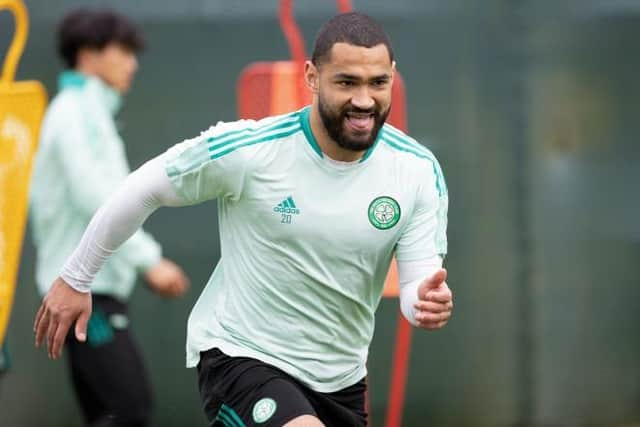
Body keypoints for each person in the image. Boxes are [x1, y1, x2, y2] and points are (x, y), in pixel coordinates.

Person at [34, 12, 452, 427]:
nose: (364, 100)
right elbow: (142, 188)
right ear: (311, 78)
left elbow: (418, 286)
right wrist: (76, 277)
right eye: (346, 82)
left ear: (392, 76)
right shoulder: (250, 150)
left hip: (341, 379)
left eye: (378, 83)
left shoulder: (416, 171)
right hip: (242, 358)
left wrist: (424, 304)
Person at [29, 8, 189, 427]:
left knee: (109, 414)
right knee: (129, 411)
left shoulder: (88, 111)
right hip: (87, 295)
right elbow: (96, 197)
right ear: (88, 53)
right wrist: (149, 260)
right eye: (122, 51)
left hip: (93, 293)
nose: (131, 62)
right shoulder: (74, 112)